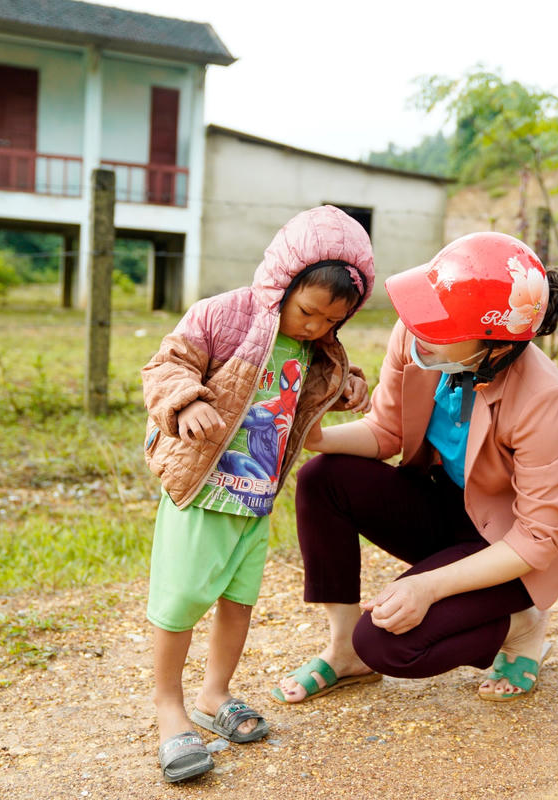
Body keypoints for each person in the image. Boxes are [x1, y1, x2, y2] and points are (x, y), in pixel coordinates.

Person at [271, 232, 558, 706]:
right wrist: (314, 436)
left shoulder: (542, 394)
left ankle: (520, 627)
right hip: (450, 506)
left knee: (385, 644)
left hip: (511, 543)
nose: (420, 329)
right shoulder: (419, 336)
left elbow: (538, 536)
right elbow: (387, 431)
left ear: (496, 347)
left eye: (443, 325)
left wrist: (428, 586)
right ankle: (343, 652)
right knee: (322, 478)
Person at [140, 205, 375, 782]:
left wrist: (348, 388)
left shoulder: (317, 347)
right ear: (282, 282)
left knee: (238, 601)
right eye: (307, 311)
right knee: (180, 600)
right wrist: (186, 402)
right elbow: (166, 365)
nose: (315, 327)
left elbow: (317, 390)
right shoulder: (223, 316)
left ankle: (214, 693)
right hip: (202, 489)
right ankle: (169, 708)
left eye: (331, 320)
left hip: (255, 497)